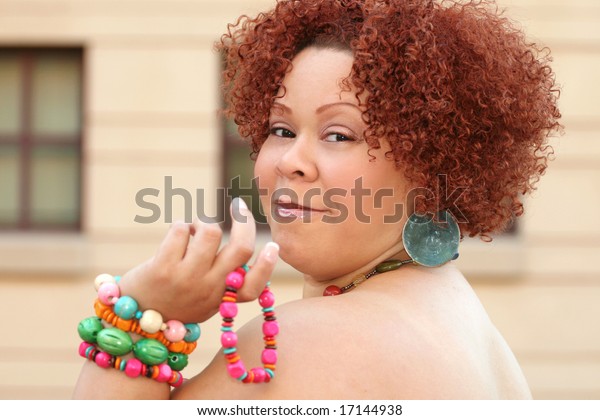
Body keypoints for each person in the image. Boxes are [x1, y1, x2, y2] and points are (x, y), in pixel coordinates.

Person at [73, 0, 561, 399]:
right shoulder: (464, 321)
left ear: (430, 167)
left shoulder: (311, 342)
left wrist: (143, 315)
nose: (290, 161)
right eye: (281, 128)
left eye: (338, 134)